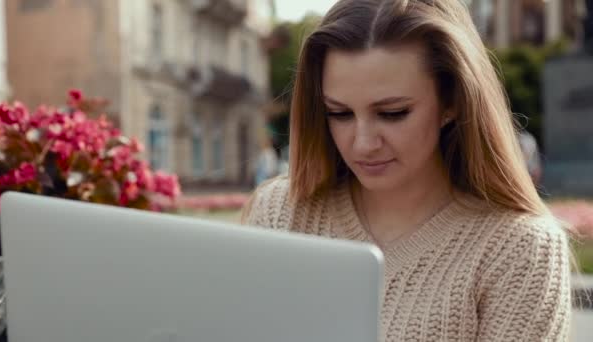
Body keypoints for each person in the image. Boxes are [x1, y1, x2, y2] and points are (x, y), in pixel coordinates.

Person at [242, 0, 572, 341]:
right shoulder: (280, 213)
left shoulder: (519, 250)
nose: (363, 144)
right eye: (339, 113)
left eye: (393, 113)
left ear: (452, 101)